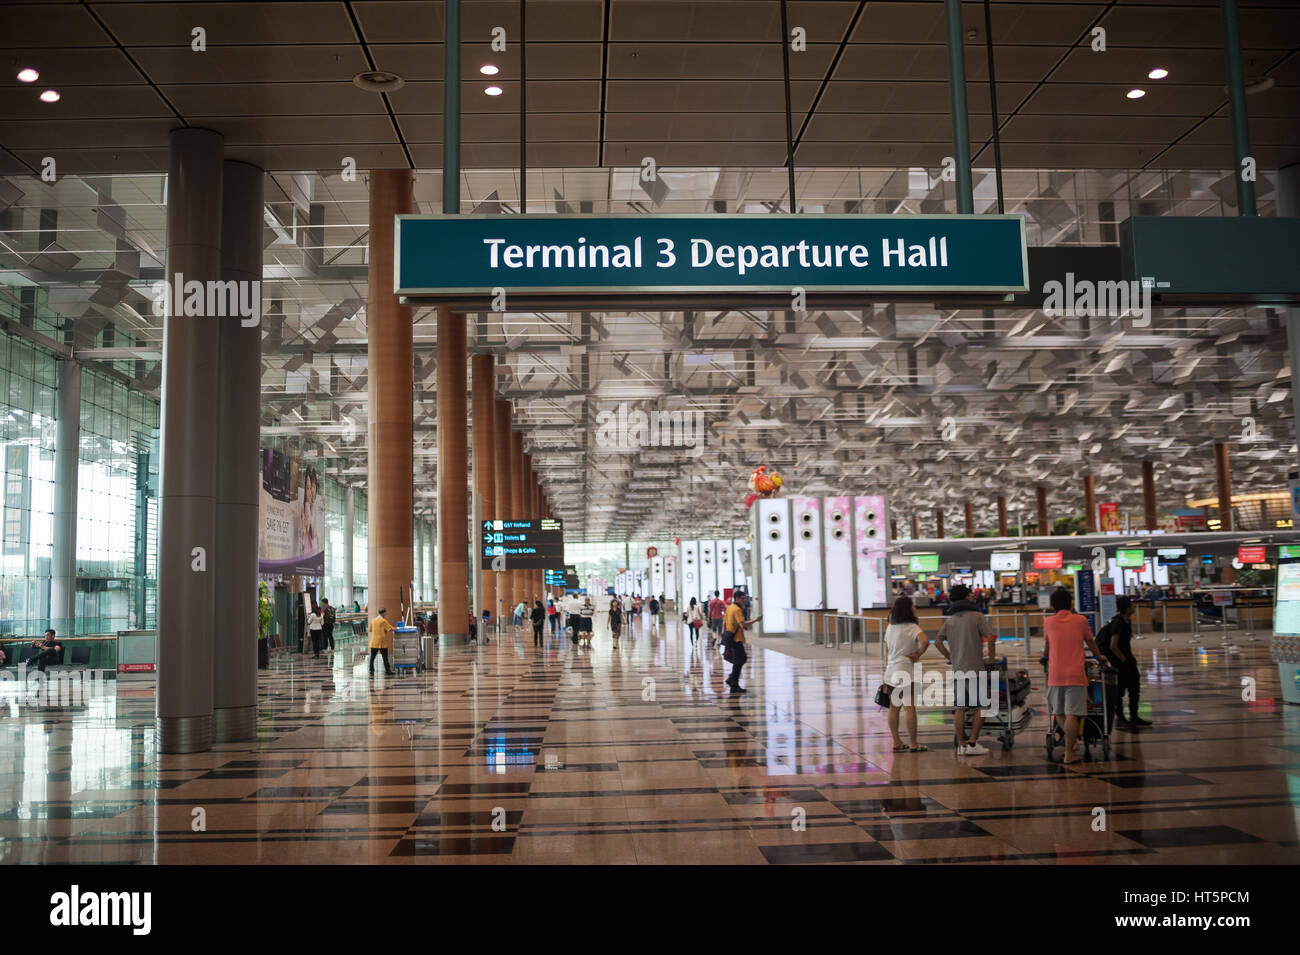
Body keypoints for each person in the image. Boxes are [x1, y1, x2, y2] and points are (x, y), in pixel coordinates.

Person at [1043, 588, 1107, 764]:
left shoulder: (1048, 622)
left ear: (1052, 605)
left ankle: (1071, 742)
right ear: (1071, 603)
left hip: (1056, 674)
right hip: (1076, 674)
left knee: (1059, 711)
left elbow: (1047, 647)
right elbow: (1090, 641)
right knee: (1073, 714)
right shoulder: (1080, 620)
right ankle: (1069, 752)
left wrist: (1044, 658)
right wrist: (1099, 655)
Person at [933, 584, 996, 755]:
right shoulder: (977, 616)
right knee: (981, 706)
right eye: (970, 595)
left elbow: (937, 641)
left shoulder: (950, 620)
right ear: (966, 597)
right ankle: (973, 743)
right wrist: (990, 657)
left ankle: (961, 745)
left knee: (960, 706)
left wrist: (950, 657)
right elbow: (990, 636)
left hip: (958, 668)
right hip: (975, 667)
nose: (972, 597)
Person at [883, 596, 930, 752]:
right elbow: (925, 641)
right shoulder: (912, 627)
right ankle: (914, 743)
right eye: (912, 605)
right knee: (909, 707)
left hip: (891, 671)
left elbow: (887, 650)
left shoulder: (890, 627)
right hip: (905, 670)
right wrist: (918, 653)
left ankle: (896, 741)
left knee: (893, 707)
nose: (915, 608)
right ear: (907, 608)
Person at [1097, 596, 1150, 728]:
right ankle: (1120, 718)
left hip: (1126, 660)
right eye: (1131, 605)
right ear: (1127, 608)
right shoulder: (1118, 624)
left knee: (1134, 688)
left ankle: (1134, 716)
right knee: (1119, 691)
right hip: (1120, 663)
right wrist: (1124, 660)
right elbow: (1113, 646)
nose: (1133, 607)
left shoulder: (1126, 621)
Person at [721, 593, 762, 693]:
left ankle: (732, 679)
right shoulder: (737, 609)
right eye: (743, 599)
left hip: (730, 637)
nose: (744, 601)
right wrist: (756, 620)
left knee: (740, 659)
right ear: (737, 598)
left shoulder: (730, 608)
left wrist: (723, 635)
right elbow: (743, 624)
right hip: (736, 639)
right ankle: (734, 683)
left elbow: (725, 623)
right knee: (739, 659)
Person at [367, 607, 395, 676]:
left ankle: (371, 670)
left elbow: (370, 629)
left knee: (372, 657)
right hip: (382, 642)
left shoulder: (373, 620)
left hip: (374, 641)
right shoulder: (383, 621)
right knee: (385, 657)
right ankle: (388, 671)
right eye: (385, 612)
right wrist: (397, 628)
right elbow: (390, 629)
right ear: (384, 613)